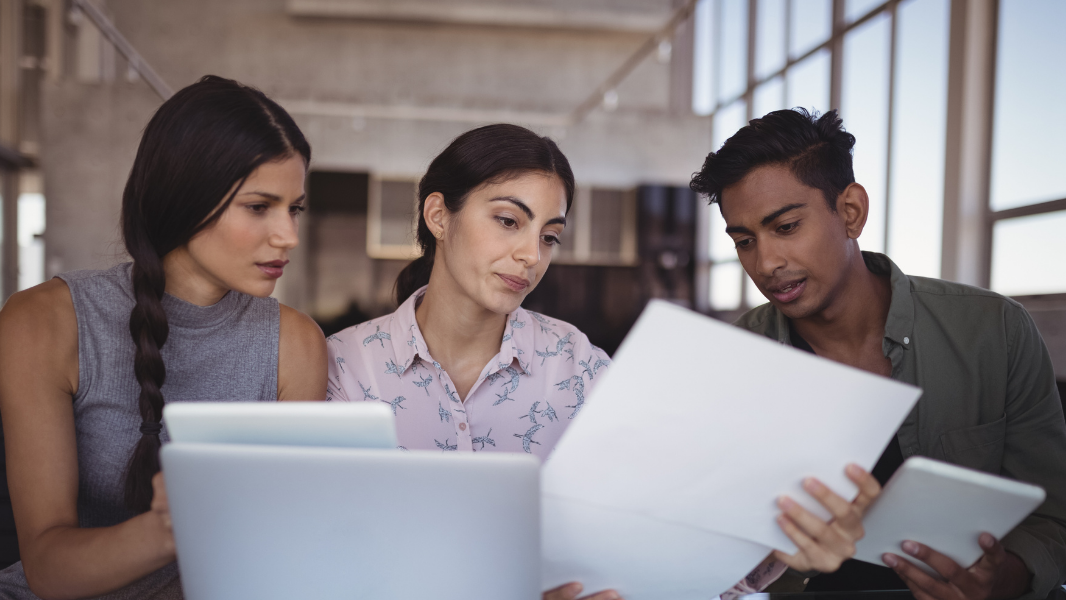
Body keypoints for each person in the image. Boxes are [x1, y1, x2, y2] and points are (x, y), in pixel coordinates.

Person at [327, 123, 881, 600]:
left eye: (549, 236)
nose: (530, 255)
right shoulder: (345, 370)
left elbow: (670, 541)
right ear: (438, 216)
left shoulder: (580, 368)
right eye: (507, 221)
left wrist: (781, 531)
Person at [690, 108, 1066, 600]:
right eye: (745, 241)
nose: (766, 263)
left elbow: (1053, 522)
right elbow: (708, 547)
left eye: (787, 227)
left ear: (851, 212)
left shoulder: (994, 333)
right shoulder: (732, 363)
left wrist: (1000, 579)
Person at [0, 76, 327, 600]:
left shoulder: (295, 344)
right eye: (259, 207)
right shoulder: (45, 321)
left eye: (294, 208)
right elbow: (48, 570)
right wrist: (174, 524)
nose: (289, 236)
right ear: (186, 197)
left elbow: (276, 554)